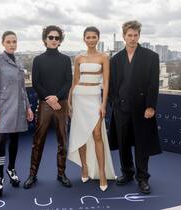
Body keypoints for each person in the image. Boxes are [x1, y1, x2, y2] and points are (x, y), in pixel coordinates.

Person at [108, 20, 162, 194]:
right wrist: (113, 103)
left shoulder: (151, 57)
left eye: (135, 35)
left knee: (142, 144)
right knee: (123, 144)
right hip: (121, 108)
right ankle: (127, 173)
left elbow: (153, 84)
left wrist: (150, 106)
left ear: (139, 35)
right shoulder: (115, 59)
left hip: (142, 109)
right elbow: (112, 84)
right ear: (123, 37)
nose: (132, 38)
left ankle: (143, 178)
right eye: (129, 35)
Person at [23, 25, 72, 189]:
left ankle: (61, 174)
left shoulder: (66, 60)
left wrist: (57, 97)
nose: (54, 40)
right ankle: (32, 175)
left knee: (62, 141)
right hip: (45, 105)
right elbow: (36, 83)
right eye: (51, 37)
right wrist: (49, 99)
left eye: (57, 38)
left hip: (61, 104)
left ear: (60, 41)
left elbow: (68, 82)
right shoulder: (38, 60)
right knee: (38, 141)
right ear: (45, 39)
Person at [68, 26, 116, 191]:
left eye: (93, 37)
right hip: (79, 96)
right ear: (84, 39)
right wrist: (69, 100)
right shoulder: (78, 58)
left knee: (97, 135)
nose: (91, 40)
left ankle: (102, 173)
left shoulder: (104, 57)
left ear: (98, 38)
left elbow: (107, 82)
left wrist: (103, 103)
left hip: (95, 96)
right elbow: (74, 81)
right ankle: (84, 167)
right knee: (81, 133)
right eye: (88, 37)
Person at [0, 31, 34, 197]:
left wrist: (28, 107)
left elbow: (23, 88)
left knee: (14, 140)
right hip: (2, 107)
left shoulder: (19, 61)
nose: (12, 44)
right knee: (0, 141)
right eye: (8, 41)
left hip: (18, 107)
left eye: (14, 41)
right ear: (3, 43)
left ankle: (11, 168)